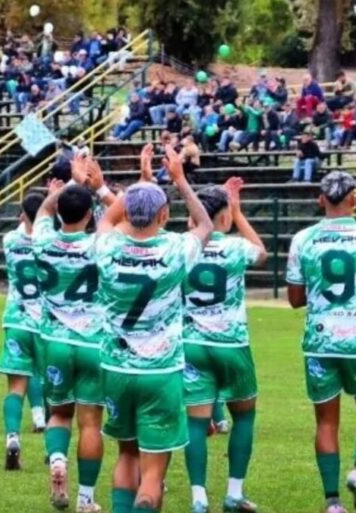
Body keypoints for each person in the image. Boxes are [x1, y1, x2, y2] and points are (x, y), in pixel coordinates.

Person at [96, 145, 212, 513]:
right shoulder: (175, 248)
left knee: (126, 456)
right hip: (161, 371)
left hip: (116, 367)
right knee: (152, 473)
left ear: (128, 212)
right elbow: (206, 225)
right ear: (164, 214)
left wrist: (137, 185)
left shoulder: (107, 246)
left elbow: (107, 220)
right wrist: (179, 179)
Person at [286, 171, 356, 513]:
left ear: (321, 199)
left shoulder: (303, 239)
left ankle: (332, 502)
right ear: (354, 199)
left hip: (320, 342)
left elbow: (295, 299)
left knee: (326, 422)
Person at [33, 157, 117, 513]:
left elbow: (42, 210)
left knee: (59, 413)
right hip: (93, 342)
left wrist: (70, 183)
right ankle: (86, 498)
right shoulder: (101, 245)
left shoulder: (42, 240)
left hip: (55, 342)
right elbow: (124, 215)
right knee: (91, 422)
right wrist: (97, 187)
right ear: (89, 215)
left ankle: (57, 459)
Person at [182, 177, 267, 513]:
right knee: (244, 417)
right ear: (223, 216)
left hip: (191, 343)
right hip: (232, 344)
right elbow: (261, 253)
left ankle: (198, 498)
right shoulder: (235, 247)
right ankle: (233, 493)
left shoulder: (182, 246)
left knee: (196, 423)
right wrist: (240, 213)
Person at [0, 193, 48, 471]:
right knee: (54, 389)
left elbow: (26, 225)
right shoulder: (51, 242)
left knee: (15, 387)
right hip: (45, 324)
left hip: (16, 320)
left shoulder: (10, 240)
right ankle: (53, 449)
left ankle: (12, 437)